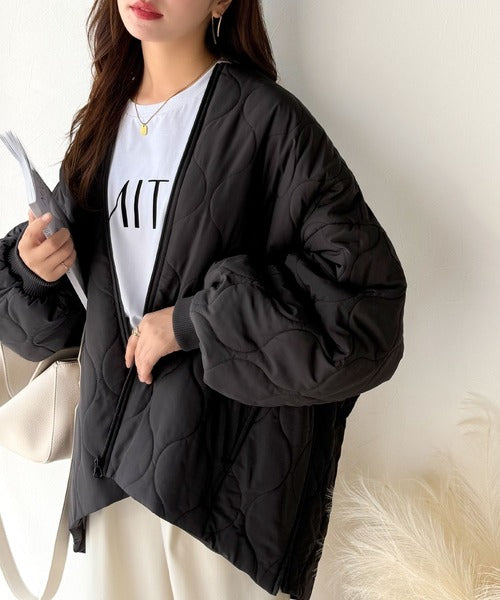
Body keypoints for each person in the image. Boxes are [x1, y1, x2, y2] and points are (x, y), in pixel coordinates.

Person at [0, 0, 408, 598]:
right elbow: (64, 324)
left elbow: (366, 310)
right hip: (114, 481)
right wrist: (32, 270)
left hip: (222, 493)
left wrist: (192, 321)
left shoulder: (267, 121)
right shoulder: (101, 127)